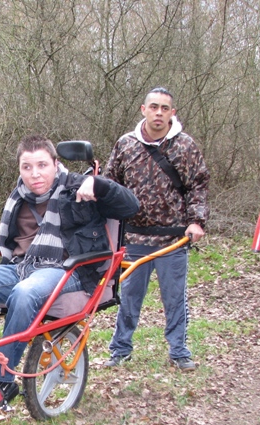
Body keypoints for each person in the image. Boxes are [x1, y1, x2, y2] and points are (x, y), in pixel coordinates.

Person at [0, 135, 139, 409]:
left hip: (67, 270)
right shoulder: (19, 197)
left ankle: (2, 378)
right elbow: (17, 242)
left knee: (26, 293)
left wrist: (100, 184)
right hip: (22, 268)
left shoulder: (77, 188)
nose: (35, 174)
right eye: (27, 167)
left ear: (55, 164)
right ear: (19, 169)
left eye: (42, 165)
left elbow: (131, 206)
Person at [103, 87, 210, 371]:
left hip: (173, 240)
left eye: (164, 108)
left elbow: (198, 185)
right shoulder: (125, 145)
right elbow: (110, 185)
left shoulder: (185, 146)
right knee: (128, 299)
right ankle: (120, 350)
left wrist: (196, 221)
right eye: (154, 107)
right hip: (134, 237)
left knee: (175, 299)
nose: (159, 113)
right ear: (143, 109)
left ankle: (179, 351)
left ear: (172, 113)